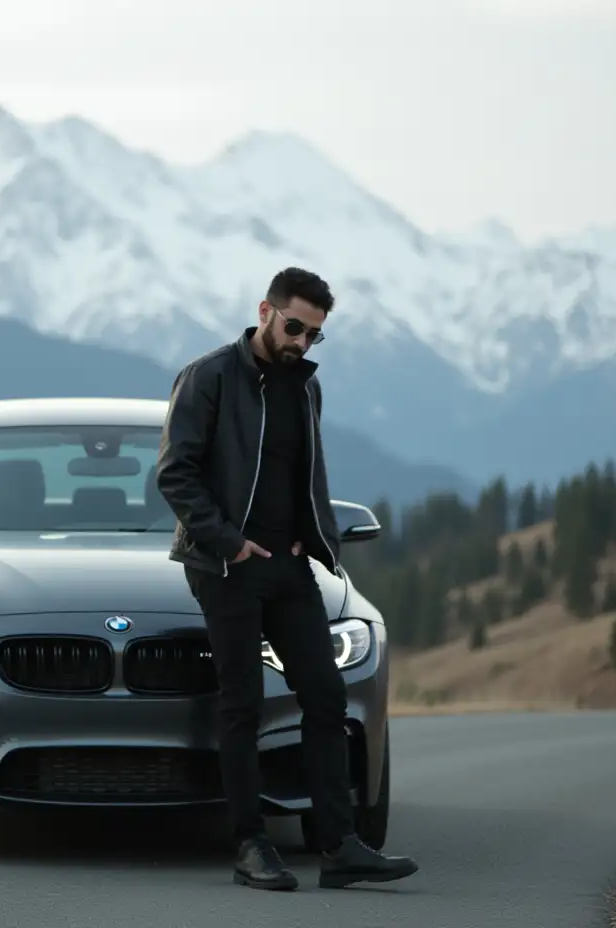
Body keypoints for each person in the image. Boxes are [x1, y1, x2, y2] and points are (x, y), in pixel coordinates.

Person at [154, 267, 419, 891]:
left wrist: (310, 532)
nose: (302, 342)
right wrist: (228, 542)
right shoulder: (210, 376)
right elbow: (176, 473)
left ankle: (339, 845)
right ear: (265, 311)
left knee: (325, 698)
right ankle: (250, 846)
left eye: (314, 334)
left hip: (289, 565)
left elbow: (304, 472)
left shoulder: (305, 388)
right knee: (241, 704)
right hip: (225, 565)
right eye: (294, 326)